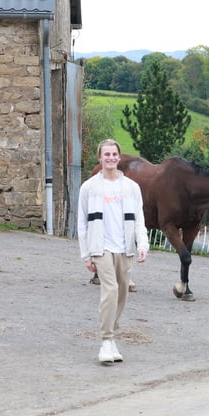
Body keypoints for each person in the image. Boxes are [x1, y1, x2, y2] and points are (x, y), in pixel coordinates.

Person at [77, 139, 149, 364]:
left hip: (125, 247)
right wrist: (86, 254)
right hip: (101, 247)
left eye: (113, 154)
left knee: (122, 293)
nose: (110, 158)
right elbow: (82, 223)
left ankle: (112, 337)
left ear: (118, 158)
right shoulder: (89, 187)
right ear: (100, 158)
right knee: (110, 290)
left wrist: (142, 245)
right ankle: (106, 341)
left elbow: (139, 219)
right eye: (105, 154)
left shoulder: (131, 188)